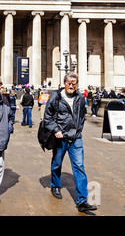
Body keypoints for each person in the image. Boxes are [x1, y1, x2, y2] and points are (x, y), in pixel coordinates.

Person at [43, 72, 97, 212]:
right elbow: (47, 117)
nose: (71, 86)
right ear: (64, 83)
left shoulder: (80, 97)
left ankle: (82, 201)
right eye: (69, 83)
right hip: (61, 137)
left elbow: (82, 115)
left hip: (76, 138)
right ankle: (55, 185)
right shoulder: (56, 96)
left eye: (74, 84)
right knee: (57, 163)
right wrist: (56, 130)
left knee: (79, 167)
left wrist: (79, 130)